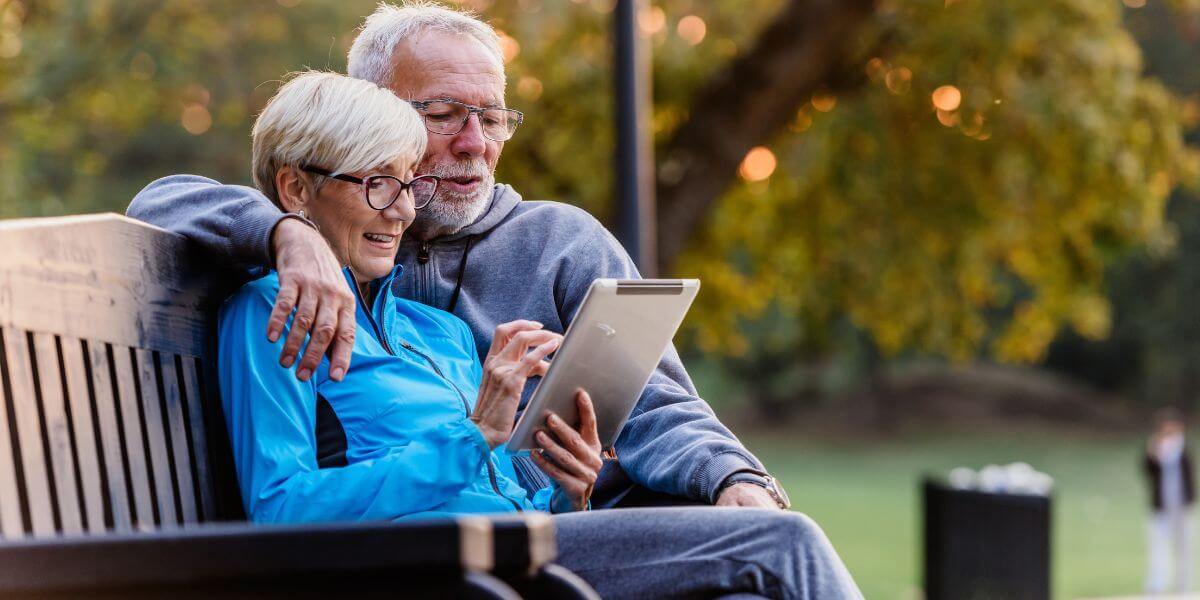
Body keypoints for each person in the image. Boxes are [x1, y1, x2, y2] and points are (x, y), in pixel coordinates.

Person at [220, 69, 862, 599]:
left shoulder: (434, 329)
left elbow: (508, 483)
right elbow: (282, 511)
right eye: (378, 185)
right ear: (296, 188)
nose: (404, 211)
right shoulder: (271, 314)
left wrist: (569, 488)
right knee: (784, 542)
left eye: (408, 184)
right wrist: (472, 437)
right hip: (435, 569)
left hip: (521, 555)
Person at [128, 0, 781, 510]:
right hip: (449, 559)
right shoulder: (328, 228)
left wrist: (734, 480)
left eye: (491, 118)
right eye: (443, 114)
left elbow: (656, 402)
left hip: (582, 521)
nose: (475, 143)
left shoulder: (558, 243)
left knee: (763, 553)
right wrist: (285, 235)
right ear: (375, 117)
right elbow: (164, 201)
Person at [1143, 407, 1195, 595]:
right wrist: (1154, 452)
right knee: (1158, 548)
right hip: (1161, 507)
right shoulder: (1156, 450)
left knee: (1183, 548)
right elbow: (1147, 469)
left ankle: (1183, 587)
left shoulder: (1182, 450)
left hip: (1181, 507)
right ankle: (1156, 586)